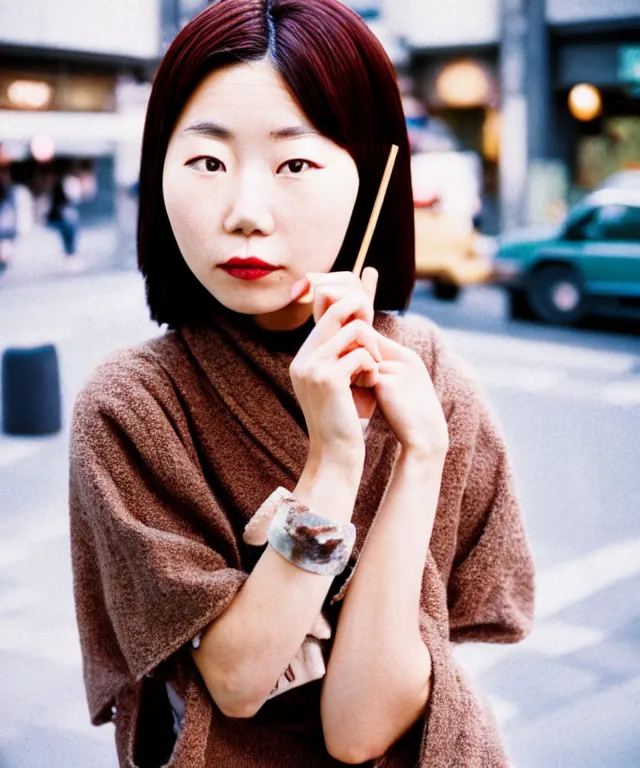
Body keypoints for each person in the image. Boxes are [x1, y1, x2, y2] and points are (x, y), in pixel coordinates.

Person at [69, 1, 535, 766]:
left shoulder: (428, 378)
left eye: (296, 164)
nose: (247, 213)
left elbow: (361, 732)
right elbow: (240, 681)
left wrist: (420, 457)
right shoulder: (130, 404)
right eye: (208, 162)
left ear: (374, 175)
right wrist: (332, 464)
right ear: (159, 174)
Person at [47, 172, 81, 261]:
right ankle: (70, 253)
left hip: (64, 214)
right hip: (63, 215)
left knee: (69, 233)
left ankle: (70, 253)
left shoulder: (66, 184)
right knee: (68, 233)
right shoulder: (62, 186)